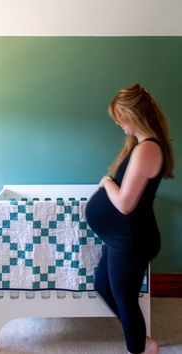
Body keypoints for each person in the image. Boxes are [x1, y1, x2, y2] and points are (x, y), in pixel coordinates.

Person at [85, 83, 175, 354]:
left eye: (118, 116)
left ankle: (142, 347)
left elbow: (125, 204)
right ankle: (138, 337)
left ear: (131, 114)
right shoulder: (140, 146)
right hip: (121, 237)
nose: (116, 123)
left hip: (132, 239)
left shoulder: (147, 149)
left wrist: (106, 182)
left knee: (125, 298)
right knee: (103, 285)